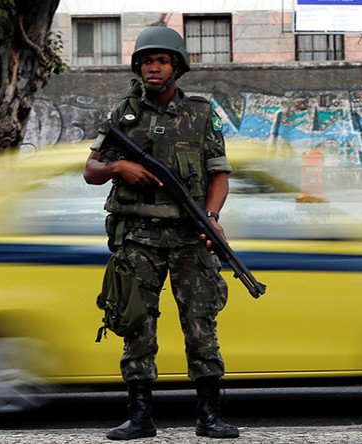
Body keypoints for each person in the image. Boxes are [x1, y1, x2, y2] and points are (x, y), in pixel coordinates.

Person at [83, 26, 239, 440]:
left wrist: (211, 215)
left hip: (189, 236)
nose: (153, 68)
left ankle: (209, 415)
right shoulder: (123, 114)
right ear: (138, 67)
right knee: (137, 325)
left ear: (177, 68)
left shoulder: (202, 114)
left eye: (162, 61)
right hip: (138, 238)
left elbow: (219, 174)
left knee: (200, 324)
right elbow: (91, 170)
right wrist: (119, 167)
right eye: (147, 61)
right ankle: (140, 417)